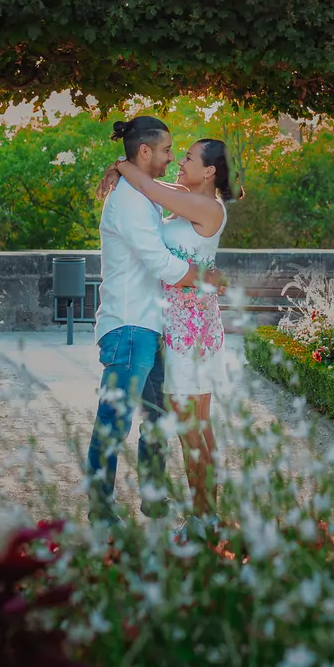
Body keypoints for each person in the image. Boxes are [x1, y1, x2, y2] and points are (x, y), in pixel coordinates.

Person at [83, 116, 217, 521]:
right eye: (165, 150)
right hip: (127, 327)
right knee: (114, 421)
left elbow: (180, 193)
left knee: (157, 420)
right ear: (145, 151)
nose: (171, 157)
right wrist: (202, 278)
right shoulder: (127, 201)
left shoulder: (142, 194)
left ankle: (155, 497)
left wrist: (122, 167)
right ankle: (101, 508)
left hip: (149, 327)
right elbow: (159, 261)